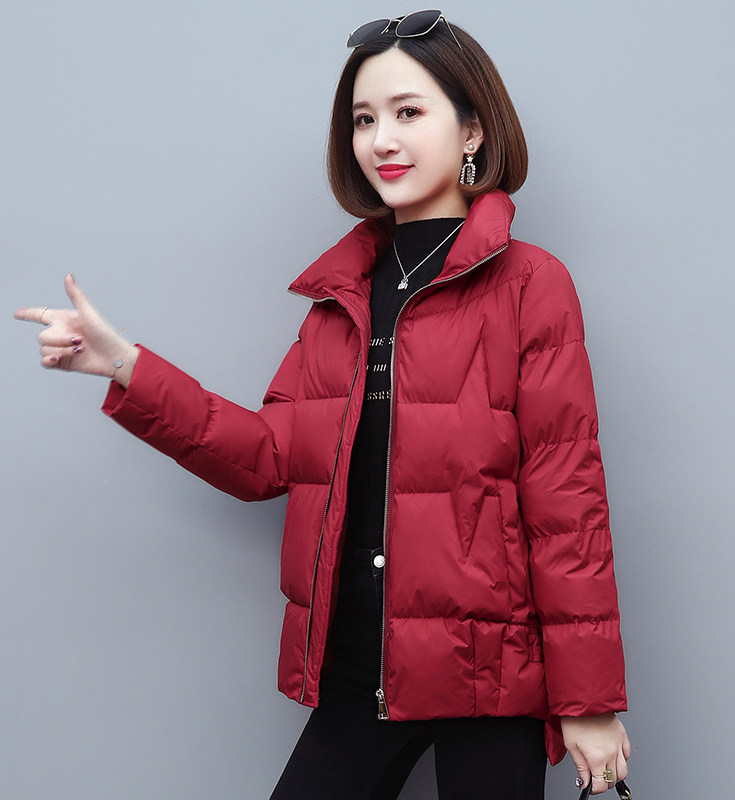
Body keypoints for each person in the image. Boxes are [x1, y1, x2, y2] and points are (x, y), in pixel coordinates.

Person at [15, 11, 630, 799]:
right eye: (364, 120)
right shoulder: (342, 299)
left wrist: (588, 701)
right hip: (358, 667)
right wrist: (126, 367)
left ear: (473, 129)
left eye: (408, 112)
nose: (381, 140)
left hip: (492, 677)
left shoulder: (530, 286)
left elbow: (567, 507)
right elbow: (267, 458)